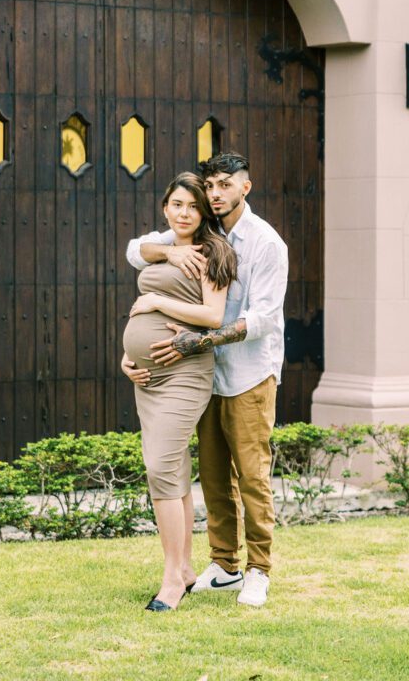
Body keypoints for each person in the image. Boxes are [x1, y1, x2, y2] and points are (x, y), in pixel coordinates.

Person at [124, 152, 288, 608]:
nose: (215, 193)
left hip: (249, 373)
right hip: (204, 376)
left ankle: (258, 570)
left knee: (251, 475)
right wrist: (169, 251)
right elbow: (134, 250)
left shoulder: (264, 243)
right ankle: (224, 564)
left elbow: (262, 320)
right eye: (210, 185)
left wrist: (195, 340)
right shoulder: (204, 230)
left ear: (245, 187)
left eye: (223, 185)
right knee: (214, 476)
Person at [122, 171, 238, 612]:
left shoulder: (215, 253)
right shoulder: (163, 249)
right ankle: (185, 568)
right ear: (165, 207)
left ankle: (172, 577)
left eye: (193, 206)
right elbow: (138, 251)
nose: (184, 213)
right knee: (173, 470)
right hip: (148, 378)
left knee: (160, 466)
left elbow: (213, 315)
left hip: (185, 373)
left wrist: (157, 305)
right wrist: (127, 355)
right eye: (176, 205)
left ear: (205, 210)